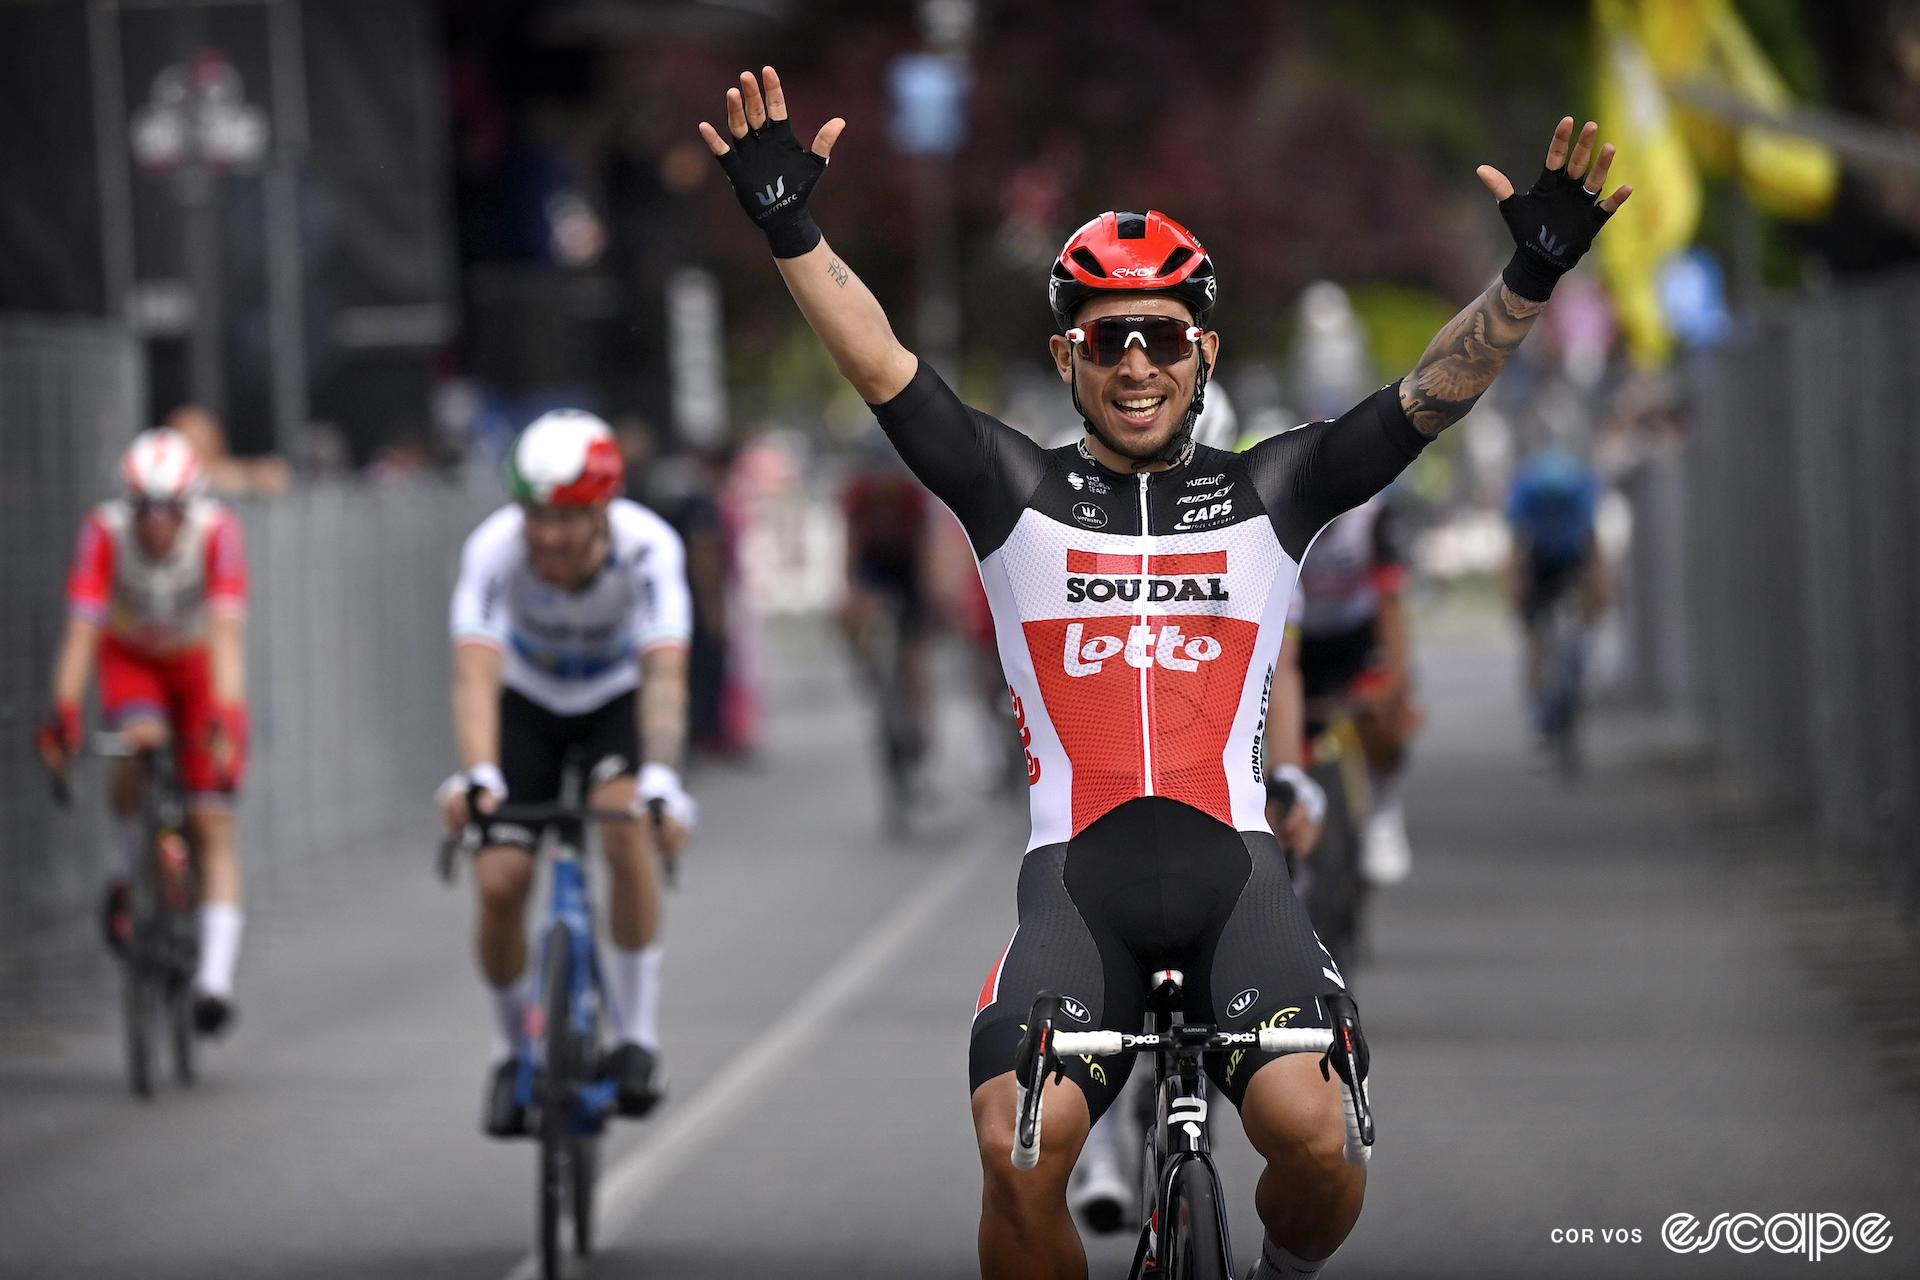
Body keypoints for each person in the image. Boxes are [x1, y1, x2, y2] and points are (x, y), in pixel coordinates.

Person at [699, 66, 1629, 1279]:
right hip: (1077, 894)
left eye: (1163, 337)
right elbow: (880, 364)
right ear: (1068, 354)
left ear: (1204, 352)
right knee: (1013, 1147)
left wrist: (1527, 283)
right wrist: (790, 227)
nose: (1137, 364)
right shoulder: (1011, 489)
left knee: (1320, 1140)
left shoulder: (1273, 490)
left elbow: (1427, 398)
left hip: (1237, 881)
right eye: (1107, 338)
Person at [437, 409, 695, 1136]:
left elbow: (665, 673)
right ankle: (509, 1047)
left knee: (624, 829)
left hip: (616, 701)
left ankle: (637, 1038)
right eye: (533, 513)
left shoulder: (648, 549)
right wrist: (480, 774)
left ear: (604, 508)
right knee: (498, 879)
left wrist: (661, 782)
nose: (546, 533)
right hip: (529, 703)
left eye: (567, 516)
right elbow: (474, 672)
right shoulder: (493, 549)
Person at [37, 428, 252, 1035]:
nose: (157, 524)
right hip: (133, 660)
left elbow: (229, 636)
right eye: (145, 510)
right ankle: (128, 870)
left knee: (213, 820)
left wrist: (225, 721)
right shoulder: (103, 532)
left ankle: (214, 980)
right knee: (137, 745)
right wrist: (66, 713)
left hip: (198, 663)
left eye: (170, 510)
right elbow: (82, 632)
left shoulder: (218, 532)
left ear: (190, 505)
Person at [1505, 445, 1608, 738]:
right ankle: (1551, 698)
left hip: (1546, 561)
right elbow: (1594, 546)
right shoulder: (1578, 487)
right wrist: (1598, 595)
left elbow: (1515, 546)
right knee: (1546, 635)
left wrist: (1516, 590)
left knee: (1536, 638)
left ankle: (1540, 709)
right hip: (1564, 559)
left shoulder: (1528, 488)